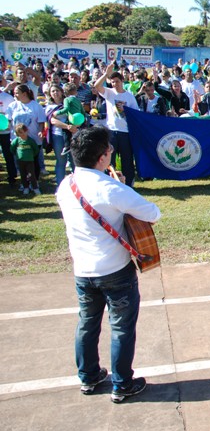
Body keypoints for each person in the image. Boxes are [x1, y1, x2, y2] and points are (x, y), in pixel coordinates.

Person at [56, 126, 161, 403]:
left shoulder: (65, 185)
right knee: (122, 327)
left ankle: (88, 376)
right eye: (109, 150)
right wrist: (123, 187)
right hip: (114, 269)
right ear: (102, 157)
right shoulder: (109, 187)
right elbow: (153, 213)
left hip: (82, 268)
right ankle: (122, 383)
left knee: (87, 323)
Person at [92, 65, 139, 187]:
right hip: (111, 130)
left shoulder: (129, 96)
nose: (115, 84)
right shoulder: (109, 93)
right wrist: (105, 74)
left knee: (126, 159)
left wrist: (125, 109)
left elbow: (136, 113)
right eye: (112, 82)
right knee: (109, 158)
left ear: (122, 81)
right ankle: (110, 182)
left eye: (117, 81)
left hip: (125, 131)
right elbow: (97, 86)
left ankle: (128, 183)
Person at [11, 123, 40, 195]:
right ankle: (25, 187)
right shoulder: (17, 140)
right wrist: (17, 155)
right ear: (17, 134)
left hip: (30, 161)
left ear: (27, 131)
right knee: (23, 175)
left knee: (32, 175)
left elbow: (36, 149)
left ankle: (35, 188)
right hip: (20, 161)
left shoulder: (30, 141)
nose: (23, 134)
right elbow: (12, 148)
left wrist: (31, 155)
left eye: (24, 132)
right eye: (20, 133)